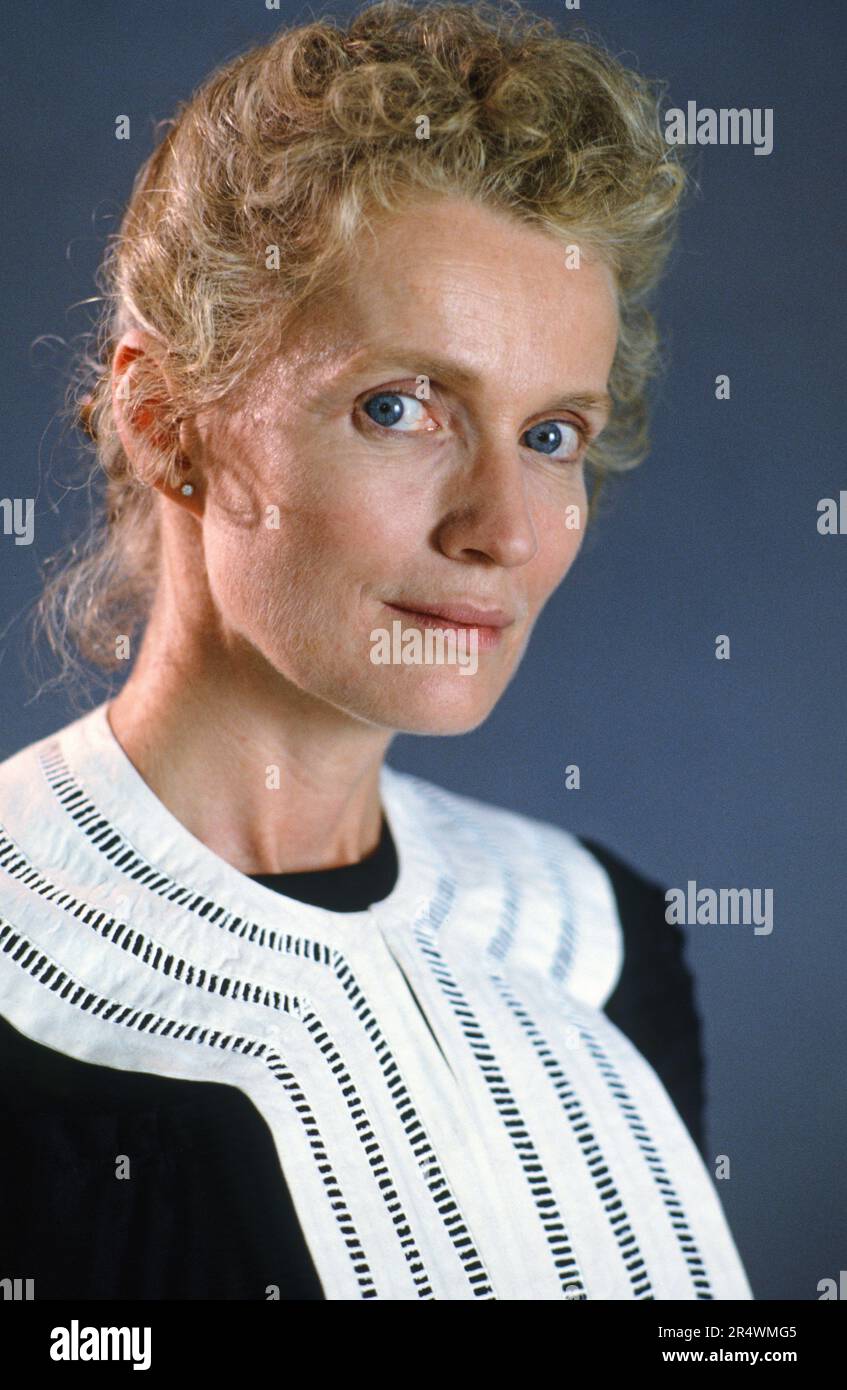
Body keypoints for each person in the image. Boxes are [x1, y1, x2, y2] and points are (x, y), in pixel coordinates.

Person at [0, 0, 752, 1300]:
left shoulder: (605, 937)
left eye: (554, 434)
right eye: (400, 407)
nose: (504, 529)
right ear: (167, 422)